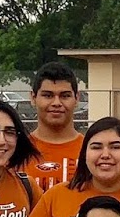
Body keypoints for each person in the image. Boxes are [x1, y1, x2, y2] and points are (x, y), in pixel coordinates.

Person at [24, 62, 85, 193]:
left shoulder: (92, 151)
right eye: (48, 95)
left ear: (77, 98)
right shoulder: (17, 152)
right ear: (33, 98)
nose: (56, 103)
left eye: (65, 96)